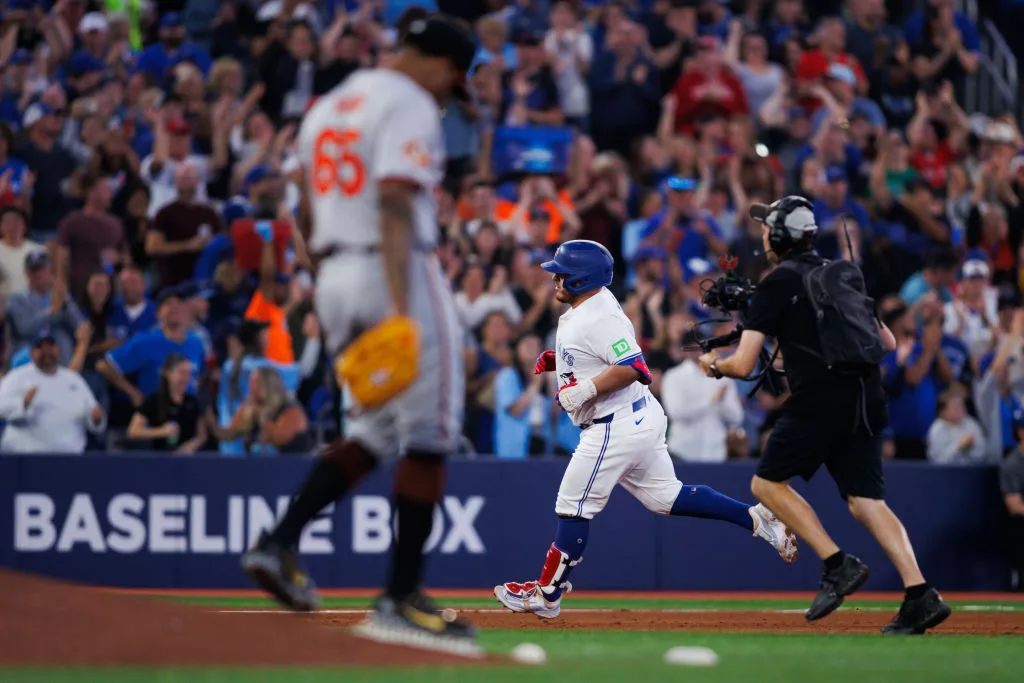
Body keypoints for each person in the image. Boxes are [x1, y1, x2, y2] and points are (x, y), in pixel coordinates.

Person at [239, 14, 480, 653]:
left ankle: (279, 541)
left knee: (373, 430)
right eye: (452, 80)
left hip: (335, 270)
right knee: (430, 435)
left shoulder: (330, 103)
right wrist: (401, 306)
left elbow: (301, 201)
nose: (446, 94)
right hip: (393, 266)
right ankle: (401, 598)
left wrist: (328, 281)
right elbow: (399, 196)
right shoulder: (409, 102)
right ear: (436, 61)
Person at [494, 240, 796, 619]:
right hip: (634, 416)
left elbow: (635, 366)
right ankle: (757, 519)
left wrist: (584, 388)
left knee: (572, 505)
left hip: (614, 423)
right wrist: (563, 362)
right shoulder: (589, 305)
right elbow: (600, 351)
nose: (554, 277)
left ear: (581, 278)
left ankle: (548, 594)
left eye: (561, 272)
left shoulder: (597, 315)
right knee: (666, 498)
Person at [697, 196, 951, 634]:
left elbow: (742, 365)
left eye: (766, 228)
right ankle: (920, 594)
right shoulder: (844, 272)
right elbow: (887, 344)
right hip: (867, 397)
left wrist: (713, 365)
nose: (761, 234)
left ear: (778, 236)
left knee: (765, 483)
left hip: (820, 399)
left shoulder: (776, 285)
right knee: (867, 502)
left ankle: (837, 564)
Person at [0, 329, 105, 453]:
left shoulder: (73, 380)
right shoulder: (17, 377)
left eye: (50, 347)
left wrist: (97, 418)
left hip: (69, 460)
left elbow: (94, 418)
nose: (47, 352)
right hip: (26, 460)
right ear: (32, 353)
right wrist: (23, 405)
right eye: (40, 348)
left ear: (59, 350)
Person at [97, 288, 206, 408]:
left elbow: (199, 376)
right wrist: (133, 393)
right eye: (168, 303)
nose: (175, 308)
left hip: (188, 415)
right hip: (155, 415)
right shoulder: (145, 341)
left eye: (179, 303)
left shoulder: (196, 342)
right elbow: (104, 365)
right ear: (158, 313)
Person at [215, 366, 312, 455]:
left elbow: (279, 439)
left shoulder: (291, 410)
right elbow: (229, 434)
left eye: (256, 382)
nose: (251, 388)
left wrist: (262, 416)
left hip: (293, 466)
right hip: (257, 467)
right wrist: (210, 419)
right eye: (251, 382)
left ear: (270, 385)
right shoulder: (250, 407)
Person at [127, 353, 207, 453]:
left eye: (188, 374)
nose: (185, 378)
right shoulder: (155, 400)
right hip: (160, 458)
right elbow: (133, 431)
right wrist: (161, 431)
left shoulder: (193, 402)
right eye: (181, 373)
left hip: (187, 460)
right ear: (168, 373)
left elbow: (202, 435)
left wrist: (192, 445)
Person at [926, 387, 985, 464]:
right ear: (943, 411)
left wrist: (971, 448)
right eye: (956, 406)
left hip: (971, 470)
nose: (961, 408)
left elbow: (982, 453)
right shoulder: (937, 428)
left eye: (961, 405)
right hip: (945, 473)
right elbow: (939, 460)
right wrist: (958, 445)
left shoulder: (971, 423)